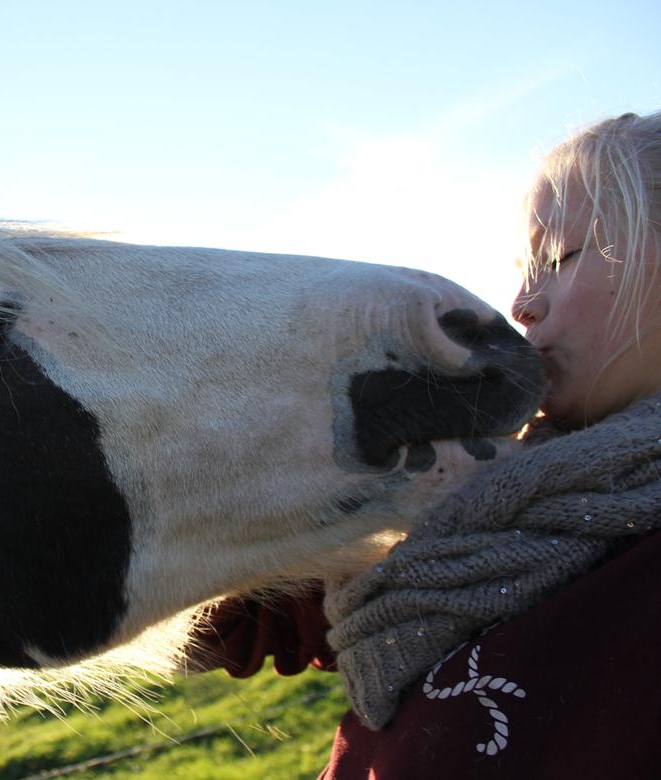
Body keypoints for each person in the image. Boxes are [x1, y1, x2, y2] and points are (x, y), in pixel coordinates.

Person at [195, 110, 661, 779]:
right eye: (525, 271)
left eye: (559, 256)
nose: (522, 304)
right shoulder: (488, 483)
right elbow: (239, 620)